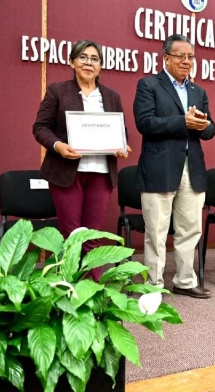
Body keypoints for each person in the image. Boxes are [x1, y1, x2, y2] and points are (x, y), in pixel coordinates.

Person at [33, 39, 130, 281]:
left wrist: (122, 146)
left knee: (93, 235)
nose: (89, 63)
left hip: (101, 174)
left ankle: (91, 292)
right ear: (72, 62)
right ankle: (68, 289)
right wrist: (58, 146)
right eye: (83, 57)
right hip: (67, 173)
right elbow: (40, 127)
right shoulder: (58, 91)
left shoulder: (111, 96)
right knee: (71, 234)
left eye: (94, 59)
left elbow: (121, 132)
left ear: (101, 66)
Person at [133, 34, 215, 299]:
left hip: (192, 169)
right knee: (156, 231)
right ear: (166, 58)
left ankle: (184, 281)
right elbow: (144, 123)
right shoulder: (148, 85)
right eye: (181, 56)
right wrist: (183, 122)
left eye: (190, 56)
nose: (187, 61)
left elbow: (210, 129)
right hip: (160, 169)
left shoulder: (198, 92)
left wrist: (204, 125)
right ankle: (153, 284)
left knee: (190, 229)